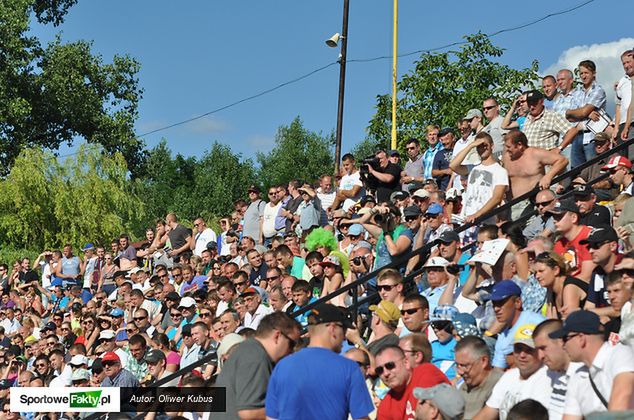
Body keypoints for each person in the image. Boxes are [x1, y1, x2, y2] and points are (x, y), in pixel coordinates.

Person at [266, 304, 374, 420]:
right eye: (343, 329)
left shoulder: (282, 366)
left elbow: (271, 417)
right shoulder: (349, 368)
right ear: (333, 328)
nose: (343, 337)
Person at [216, 312, 301, 420]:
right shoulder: (255, 355)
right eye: (292, 344)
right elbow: (249, 413)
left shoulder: (249, 350)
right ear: (277, 336)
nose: (292, 351)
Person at [549, 310, 634, 416]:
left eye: (565, 338)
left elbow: (619, 410)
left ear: (581, 338)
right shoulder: (577, 377)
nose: (563, 345)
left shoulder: (620, 354)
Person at [475, 324, 552, 420]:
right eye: (518, 349)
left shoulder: (547, 379)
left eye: (529, 350)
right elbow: (487, 413)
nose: (522, 355)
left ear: (540, 352)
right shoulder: (510, 376)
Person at [502, 130, 568, 220]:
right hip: (512, 205)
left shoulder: (535, 153)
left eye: (509, 147)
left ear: (520, 145)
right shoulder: (506, 157)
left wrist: (548, 176)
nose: (506, 149)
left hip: (532, 203)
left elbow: (562, 160)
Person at [375, 345, 450, 420]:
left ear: (406, 363)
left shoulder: (426, 373)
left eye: (390, 365)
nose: (385, 373)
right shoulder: (386, 405)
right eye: (379, 370)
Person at [450, 132, 507, 224]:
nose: (482, 148)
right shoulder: (473, 168)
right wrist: (471, 146)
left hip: (485, 221)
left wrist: (477, 215)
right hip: (468, 220)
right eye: (478, 146)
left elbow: (497, 198)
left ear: (492, 145)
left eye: (485, 145)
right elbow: (453, 165)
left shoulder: (500, 171)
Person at [532, 319, 584, 420]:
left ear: (561, 341)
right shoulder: (554, 373)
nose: (540, 356)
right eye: (537, 350)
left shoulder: (583, 377)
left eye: (543, 348)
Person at [489, 280, 544, 369]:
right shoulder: (502, 337)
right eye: (494, 304)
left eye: (500, 303)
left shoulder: (536, 322)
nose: (496, 309)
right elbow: (498, 371)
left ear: (517, 302)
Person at [455, 336, 503, 420]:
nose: (460, 372)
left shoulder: (500, 385)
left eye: (464, 366)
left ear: (483, 361)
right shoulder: (464, 386)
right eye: (457, 365)